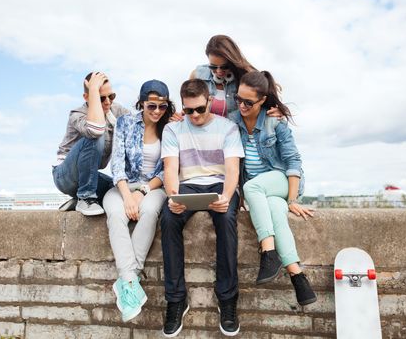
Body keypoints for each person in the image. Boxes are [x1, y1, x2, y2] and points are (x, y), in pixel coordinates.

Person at [160, 79, 245, 337]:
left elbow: (233, 170)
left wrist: (227, 196)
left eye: (199, 109)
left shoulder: (228, 128)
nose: (194, 115)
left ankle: (227, 299)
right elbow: (170, 170)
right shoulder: (173, 130)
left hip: (220, 184)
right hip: (187, 185)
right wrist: (174, 197)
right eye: (188, 110)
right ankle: (176, 300)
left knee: (226, 218)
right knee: (167, 217)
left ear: (209, 101)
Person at [232, 71, 317, 306]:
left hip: (279, 180)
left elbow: (293, 162)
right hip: (262, 193)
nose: (241, 105)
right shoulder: (233, 122)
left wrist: (291, 200)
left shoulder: (275, 123)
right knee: (276, 214)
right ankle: (298, 277)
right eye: (238, 99)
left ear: (262, 100)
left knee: (253, 186)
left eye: (248, 102)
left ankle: (268, 253)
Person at [103, 80, 175, 322]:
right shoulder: (125, 123)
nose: (156, 111)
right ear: (142, 103)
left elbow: (166, 171)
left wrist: (141, 192)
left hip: (153, 186)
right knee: (115, 215)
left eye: (162, 106)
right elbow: (117, 164)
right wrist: (127, 195)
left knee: (151, 212)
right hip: (123, 184)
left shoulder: (170, 128)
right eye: (151, 106)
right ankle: (131, 281)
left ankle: (127, 279)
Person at [53, 72, 129, 216]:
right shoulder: (77, 114)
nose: (108, 102)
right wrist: (93, 90)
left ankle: (78, 200)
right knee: (96, 135)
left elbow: (141, 123)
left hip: (89, 176)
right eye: (101, 98)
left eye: (111, 96)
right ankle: (86, 197)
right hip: (65, 176)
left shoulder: (116, 110)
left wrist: (173, 117)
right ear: (87, 97)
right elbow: (95, 130)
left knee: (117, 188)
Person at [171, 34, 282, 120]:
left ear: (233, 62)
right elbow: (190, 105)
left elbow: (261, 103)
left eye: (224, 67)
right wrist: (180, 115)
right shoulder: (197, 74)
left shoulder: (246, 77)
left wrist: (277, 111)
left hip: (235, 139)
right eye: (213, 67)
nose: (218, 72)